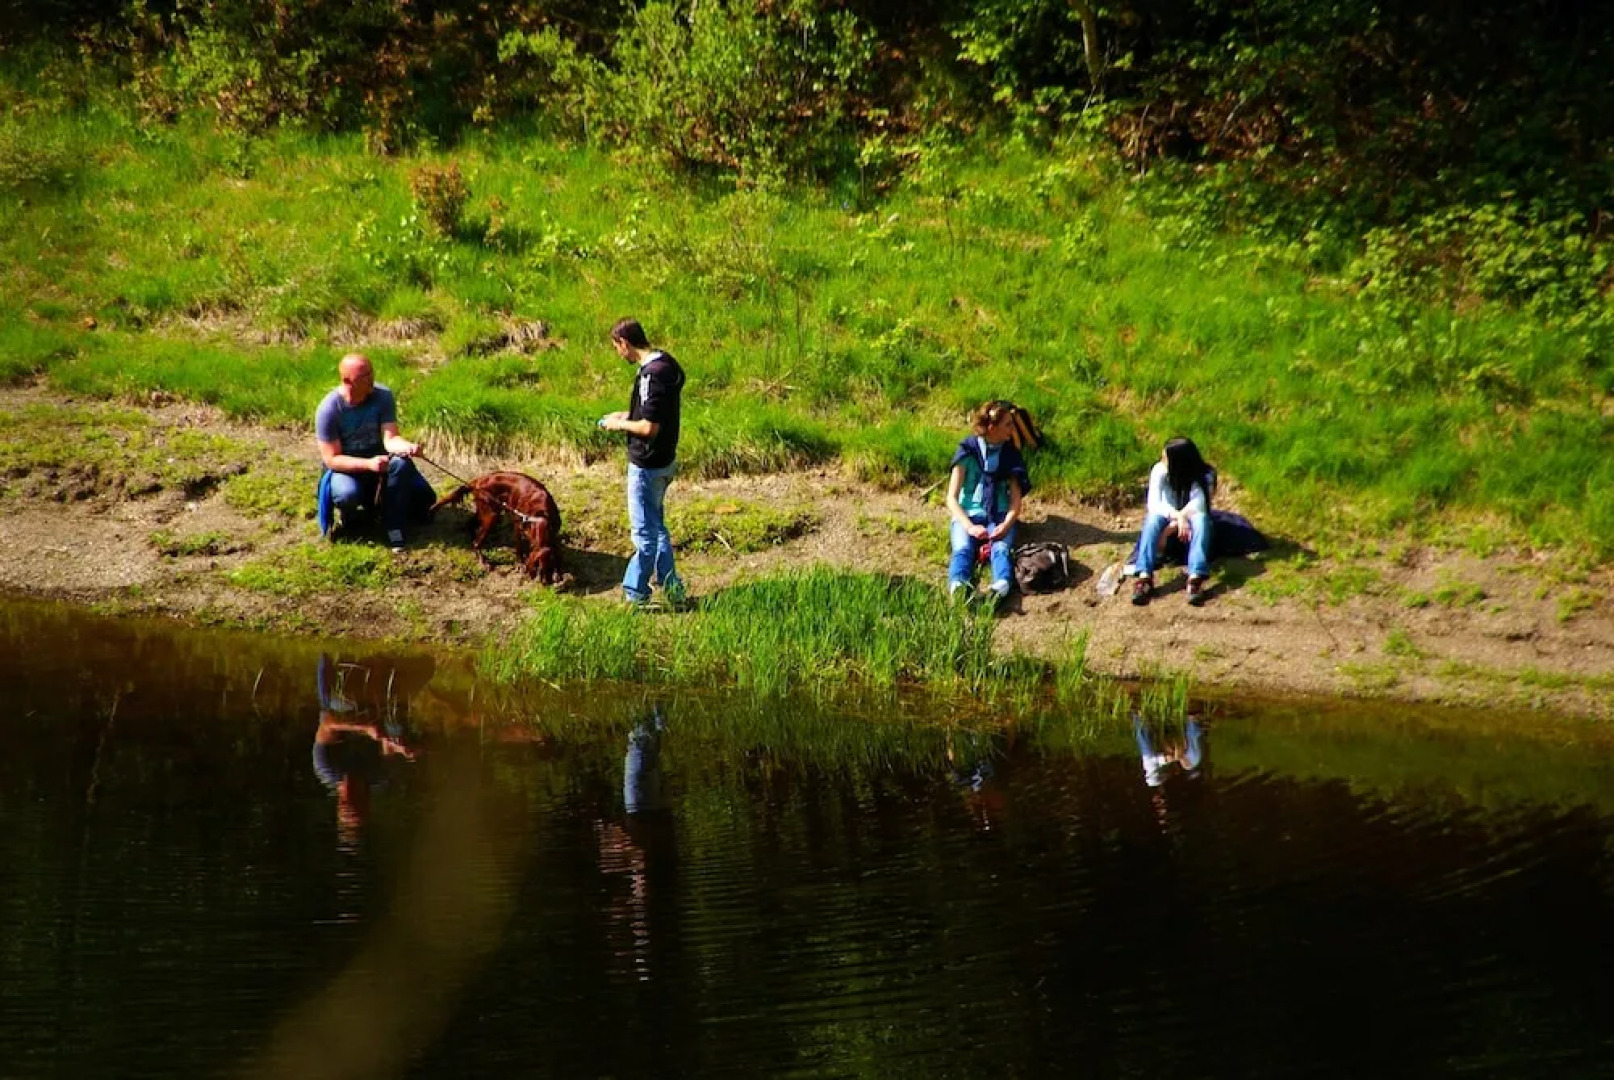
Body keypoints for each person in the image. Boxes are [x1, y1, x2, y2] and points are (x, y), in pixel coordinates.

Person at [598, 318, 687, 606]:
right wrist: (626, 415)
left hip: (647, 466)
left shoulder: (651, 375)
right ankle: (672, 589)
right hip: (665, 461)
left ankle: (635, 594)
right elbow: (656, 411)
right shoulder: (668, 363)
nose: (618, 353)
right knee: (657, 527)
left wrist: (617, 426)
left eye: (616, 347)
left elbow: (649, 427)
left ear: (625, 343)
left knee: (644, 534)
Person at [314, 352, 435, 550]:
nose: (371, 379)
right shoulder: (328, 410)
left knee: (406, 471)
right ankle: (351, 517)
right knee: (346, 494)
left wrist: (407, 447)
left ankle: (394, 524)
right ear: (347, 381)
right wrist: (368, 464)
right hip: (346, 469)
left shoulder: (383, 396)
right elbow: (332, 459)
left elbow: (390, 439)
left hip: (381, 462)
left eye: (371, 373)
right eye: (364, 377)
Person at [945, 400, 1031, 603]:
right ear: (992, 427)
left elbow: (1015, 503)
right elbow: (951, 498)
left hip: (999, 514)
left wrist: (1005, 525)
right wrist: (969, 526)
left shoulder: (1011, 455)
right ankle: (958, 587)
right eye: (1008, 425)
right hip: (968, 514)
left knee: (1001, 549)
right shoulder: (967, 450)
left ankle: (999, 588)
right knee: (963, 549)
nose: (1012, 429)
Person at [1130, 436, 1216, 606]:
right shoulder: (1159, 471)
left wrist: (1178, 521)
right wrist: (1177, 517)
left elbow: (1199, 505)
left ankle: (1195, 577)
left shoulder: (1206, 476)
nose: (1162, 460)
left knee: (1201, 520)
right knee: (1152, 519)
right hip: (1170, 515)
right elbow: (1155, 504)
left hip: (1191, 518)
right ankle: (1144, 576)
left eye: (1166, 457)